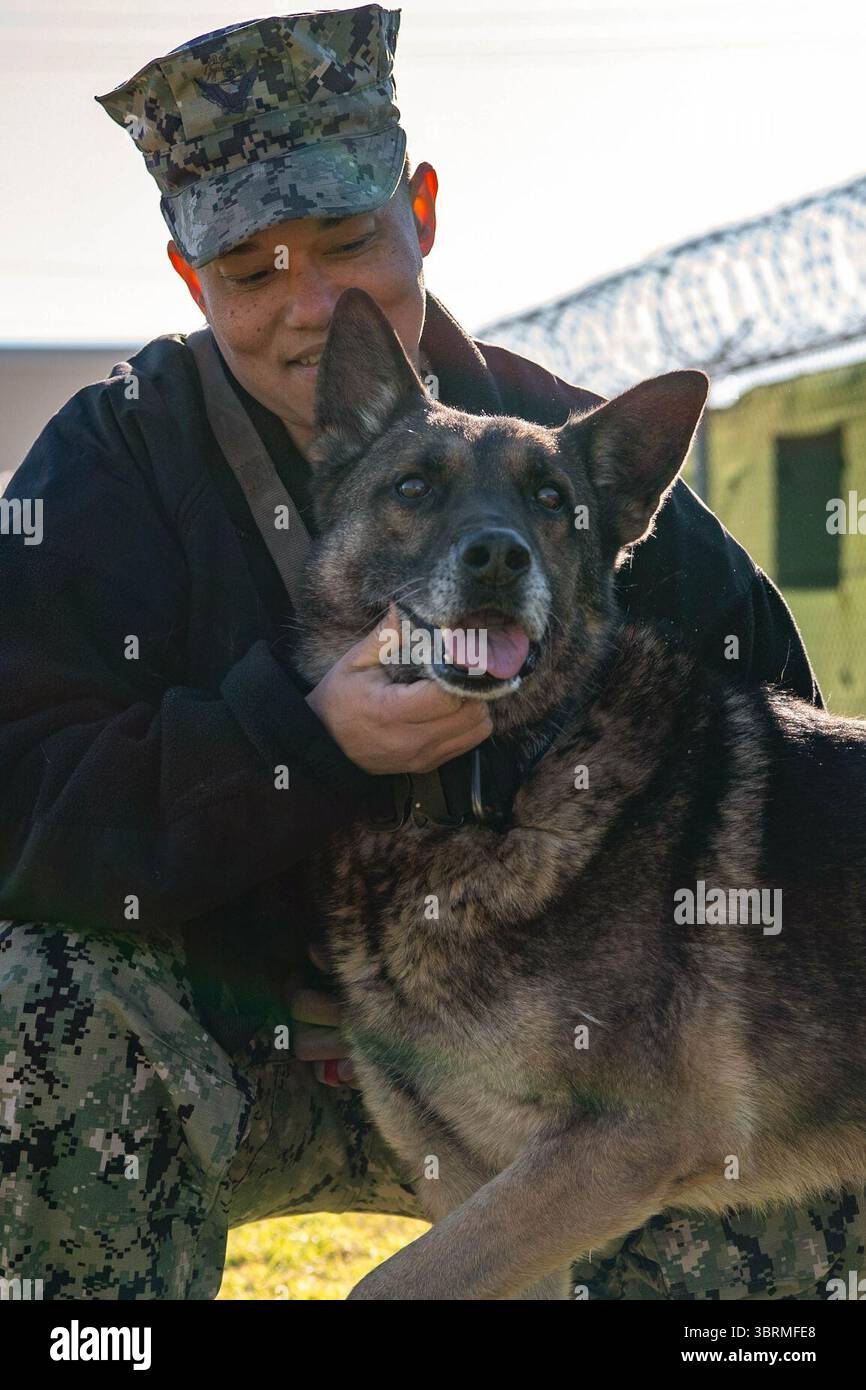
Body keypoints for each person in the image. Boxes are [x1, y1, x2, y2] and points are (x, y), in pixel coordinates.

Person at [0, 6, 857, 1300]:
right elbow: (19, 801)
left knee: (787, 1181)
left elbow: (777, 806)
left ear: (423, 211)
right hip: (237, 1054)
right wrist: (295, 739)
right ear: (189, 282)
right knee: (30, 1003)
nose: (313, 305)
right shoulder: (117, 465)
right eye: (250, 271)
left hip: (553, 1075)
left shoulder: (584, 467)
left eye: (351, 243)